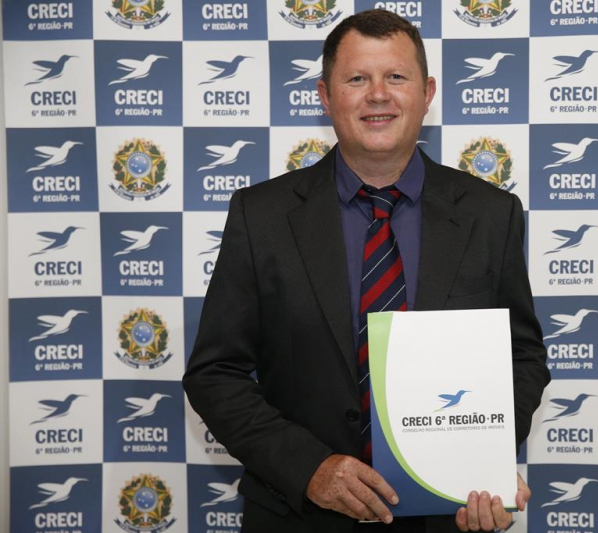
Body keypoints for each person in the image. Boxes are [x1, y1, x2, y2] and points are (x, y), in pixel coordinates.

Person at [183, 9, 550, 532]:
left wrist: (481, 459)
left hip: (444, 517)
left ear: (427, 93)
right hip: (300, 517)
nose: (378, 95)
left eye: (396, 76)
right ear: (325, 96)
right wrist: (310, 469)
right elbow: (215, 374)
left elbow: (522, 357)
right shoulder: (260, 216)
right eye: (357, 79)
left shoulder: (492, 214)